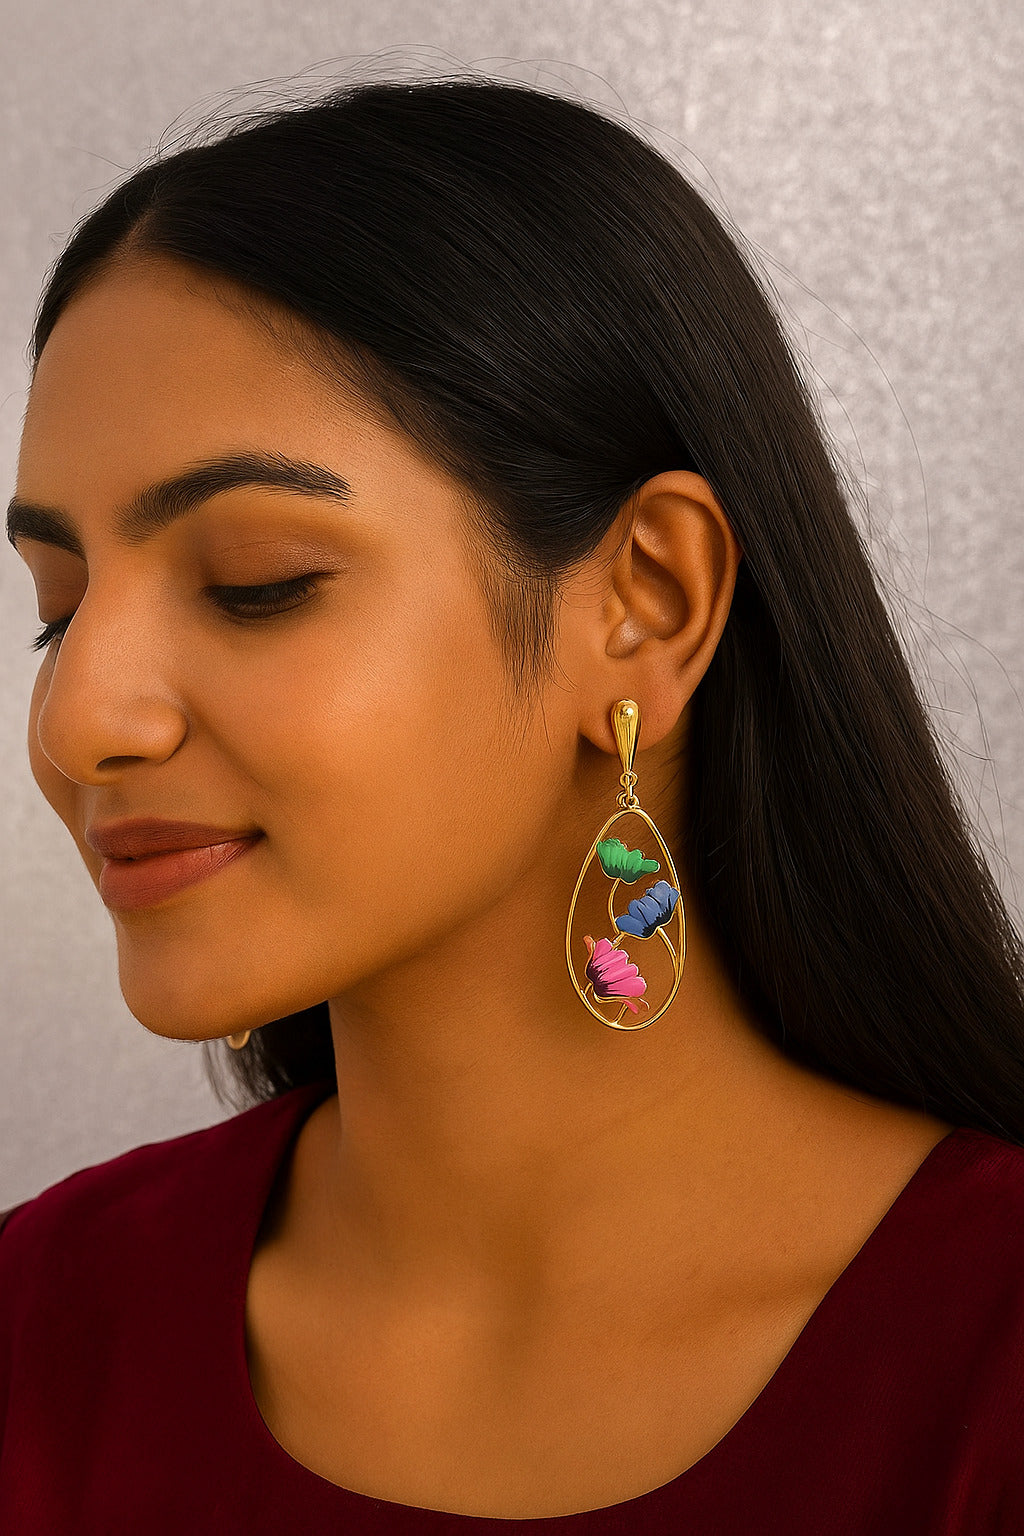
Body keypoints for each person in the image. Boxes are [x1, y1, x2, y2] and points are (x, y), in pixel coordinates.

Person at [1, 73, 1023, 1533]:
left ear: (648, 604)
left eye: (257, 584)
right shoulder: (42, 1328)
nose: (80, 718)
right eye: (57, 608)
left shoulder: (986, 1366)